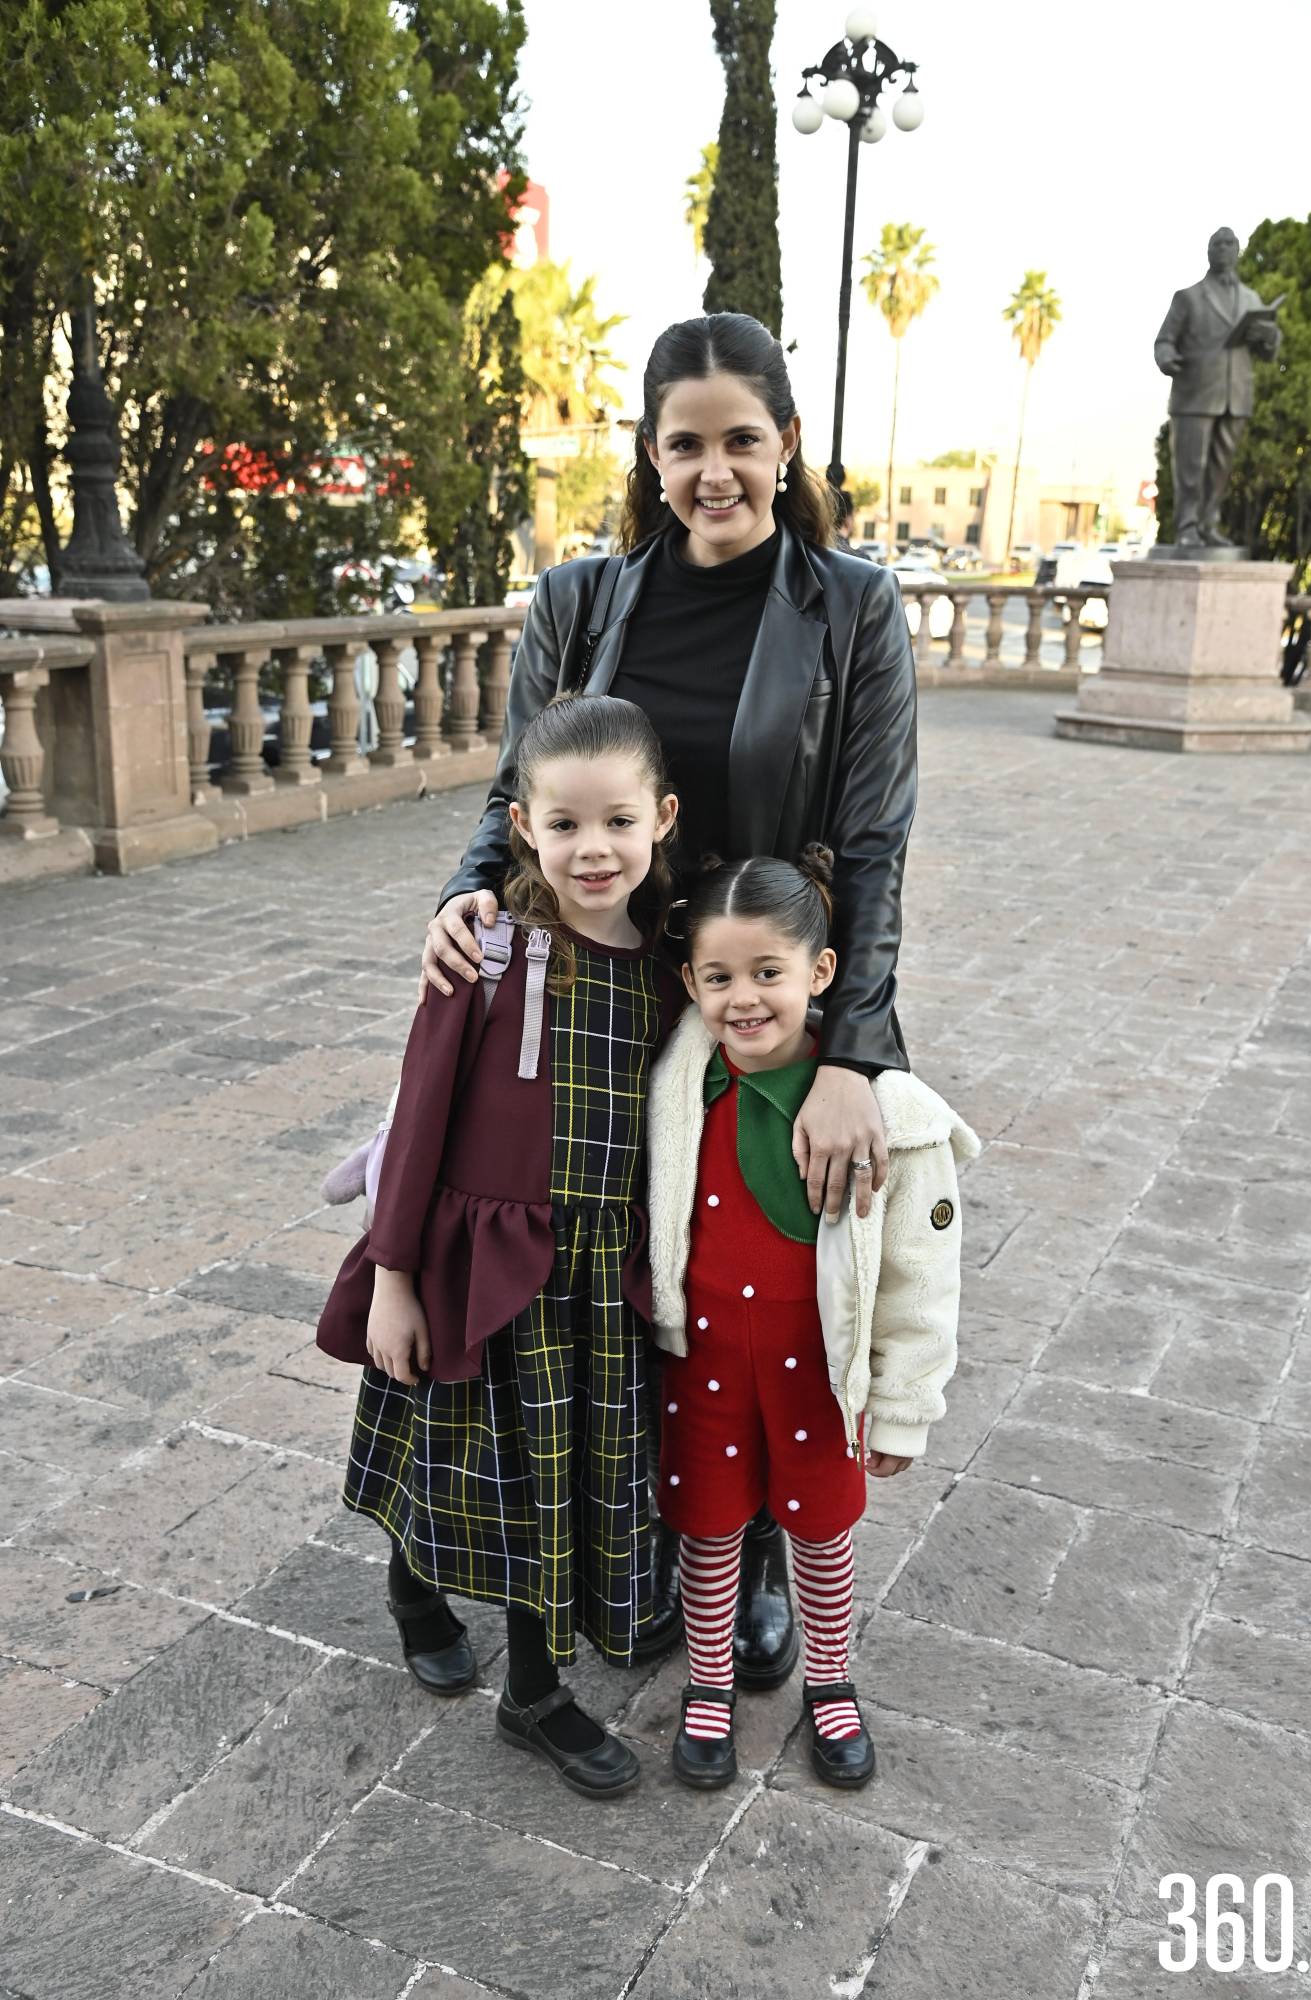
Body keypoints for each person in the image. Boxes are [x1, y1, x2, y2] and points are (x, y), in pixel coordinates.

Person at [417, 312, 919, 1682]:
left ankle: (755, 1552)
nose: (714, 471)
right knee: (612, 1282)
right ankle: (637, 1535)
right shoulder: (581, 602)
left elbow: (871, 844)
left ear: (785, 446)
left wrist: (848, 1059)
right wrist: (465, 892)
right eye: (685, 443)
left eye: (739, 441)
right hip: (593, 986)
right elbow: (510, 793)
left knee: (757, 1295)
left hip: (755, 1007)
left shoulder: (851, 610)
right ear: (649, 452)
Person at [315, 694, 681, 1799]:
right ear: (522, 825)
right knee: (454, 1459)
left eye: (616, 820)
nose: (592, 848)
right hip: (478, 1269)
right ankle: (436, 1607)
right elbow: (419, 1116)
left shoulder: (670, 969)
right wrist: (392, 1277)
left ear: (659, 818)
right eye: (563, 824)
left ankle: (522, 1676)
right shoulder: (485, 950)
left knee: (553, 1483)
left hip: (593, 1289)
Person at [645, 850, 978, 1790]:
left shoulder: (888, 1114)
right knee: (706, 1530)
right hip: (701, 1364)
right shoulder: (676, 1081)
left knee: (821, 1534)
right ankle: (708, 1686)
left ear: (820, 973)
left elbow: (920, 1274)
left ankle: (829, 1682)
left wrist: (905, 1405)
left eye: (767, 974)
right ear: (689, 981)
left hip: (815, 1375)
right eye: (718, 977)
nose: (742, 999)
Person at [1153, 226, 1281, 550]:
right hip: (1195, 394)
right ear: (1208, 252)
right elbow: (1165, 340)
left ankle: (1208, 526)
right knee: (1190, 467)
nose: (1223, 249)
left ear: (1237, 251)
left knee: (1221, 469)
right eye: (1217, 244)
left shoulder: (1251, 299)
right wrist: (1167, 358)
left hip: (1235, 396)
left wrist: (1269, 338)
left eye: (1229, 244)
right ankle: (1186, 528)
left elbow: (1267, 352)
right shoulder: (1188, 297)